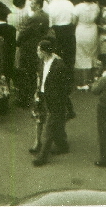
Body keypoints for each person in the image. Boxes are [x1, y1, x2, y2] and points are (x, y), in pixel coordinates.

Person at [31, 38, 71, 166]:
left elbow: (65, 86)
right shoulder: (42, 61)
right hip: (43, 96)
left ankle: (42, 157)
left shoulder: (59, 65)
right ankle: (63, 145)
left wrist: (60, 100)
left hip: (55, 100)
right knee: (53, 123)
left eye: (38, 50)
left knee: (49, 127)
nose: (37, 52)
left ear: (44, 51)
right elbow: (40, 78)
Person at [73, 0, 100, 90]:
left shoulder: (78, 7)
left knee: (81, 54)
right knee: (92, 54)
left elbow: (74, 21)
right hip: (92, 30)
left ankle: (83, 81)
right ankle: (91, 80)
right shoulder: (96, 7)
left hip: (81, 30)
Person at [91, 67, 106, 167]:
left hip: (104, 106)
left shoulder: (105, 78)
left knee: (103, 131)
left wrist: (98, 79)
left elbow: (95, 90)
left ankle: (104, 159)